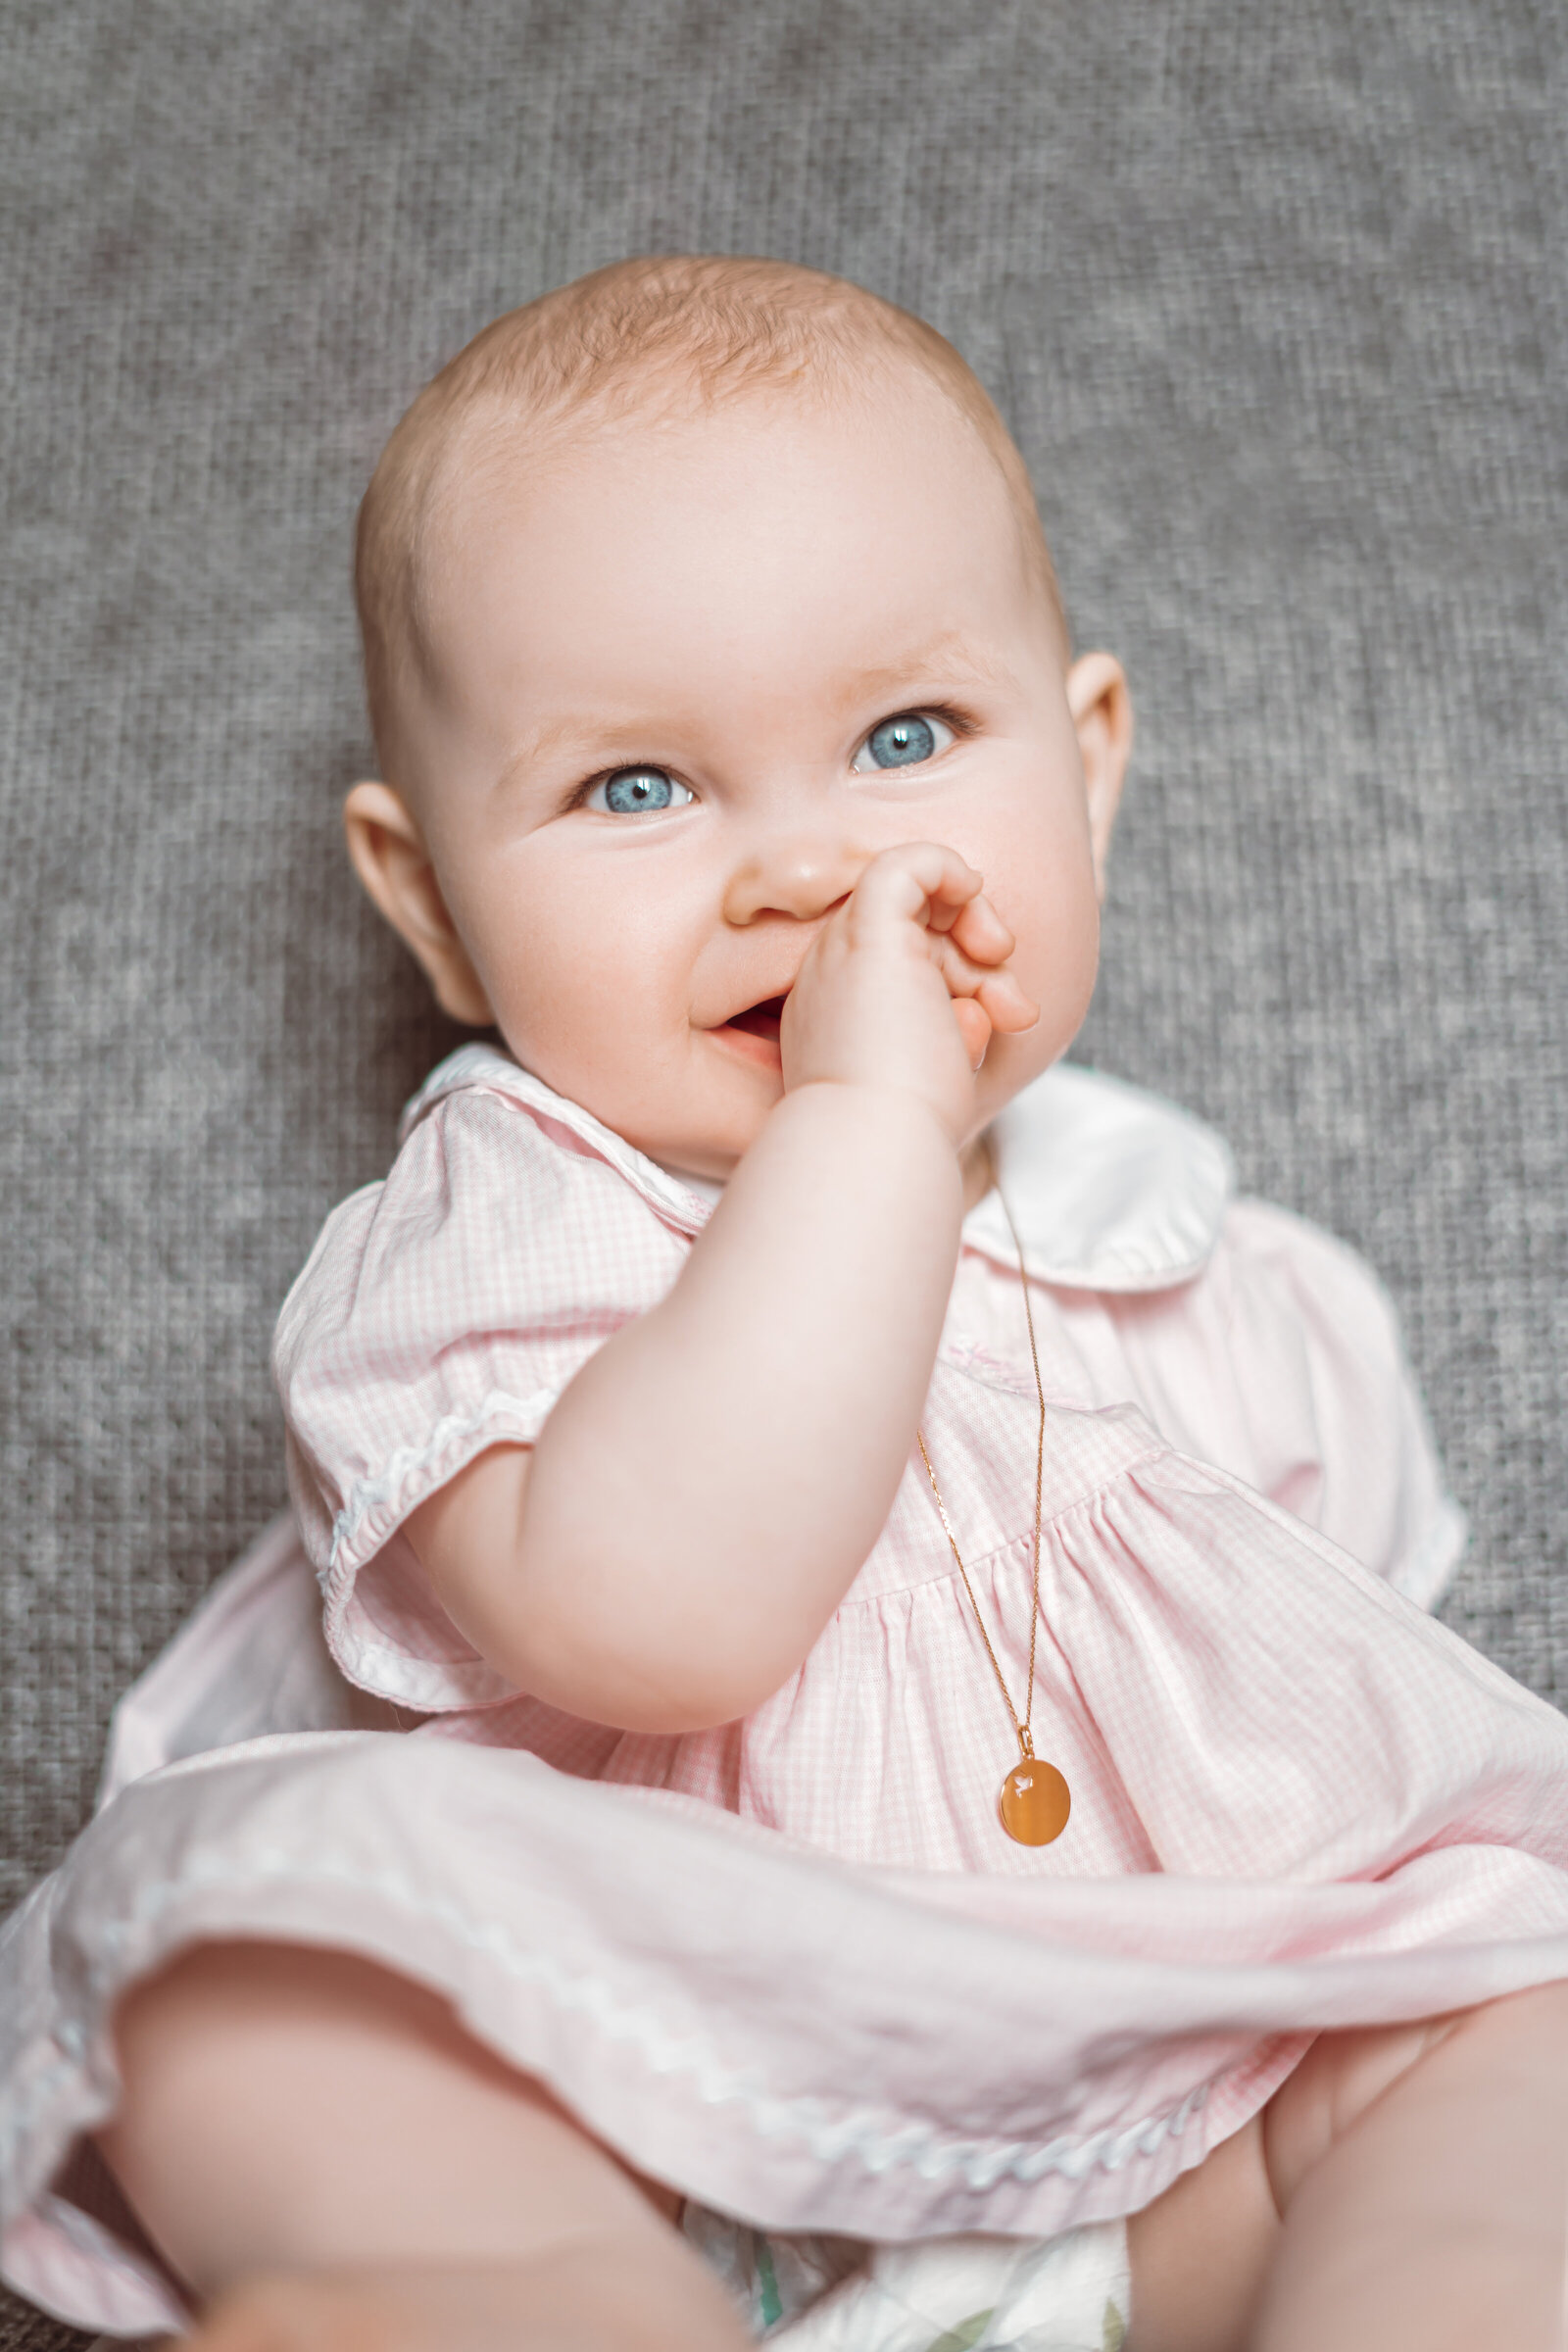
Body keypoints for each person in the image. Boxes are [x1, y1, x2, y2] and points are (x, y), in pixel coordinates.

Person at [4, 255, 1568, 2352]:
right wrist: (862, 1127)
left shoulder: (1230, 1275)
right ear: (431, 907)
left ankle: (1438, 2299)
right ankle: (500, 2296)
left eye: (904, 736)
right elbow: (658, 1623)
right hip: (609, 2101)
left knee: (1503, 2021)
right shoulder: (491, 1238)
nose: (808, 868)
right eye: (635, 788)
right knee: (237, 1975)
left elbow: (1370, 1792)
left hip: (1163, 2129)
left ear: (1083, 771)